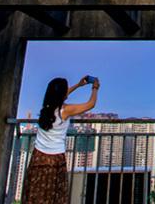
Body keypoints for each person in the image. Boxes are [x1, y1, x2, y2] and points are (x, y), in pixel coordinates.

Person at [21, 75, 100, 204]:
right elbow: (90, 104)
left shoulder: (47, 106)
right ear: (62, 94)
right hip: (54, 159)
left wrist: (78, 85)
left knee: (36, 192)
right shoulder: (65, 111)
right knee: (53, 194)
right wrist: (95, 87)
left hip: (38, 156)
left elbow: (60, 95)